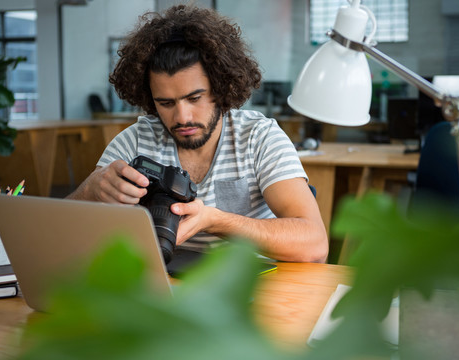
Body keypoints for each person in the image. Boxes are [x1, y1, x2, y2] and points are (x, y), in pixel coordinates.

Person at [67, 4, 328, 263]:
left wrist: (216, 221)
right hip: (158, 286)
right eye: (166, 103)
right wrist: (90, 190)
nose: (182, 117)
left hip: (248, 284)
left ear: (221, 87)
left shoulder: (259, 137)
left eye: (194, 98)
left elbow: (314, 243)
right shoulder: (134, 141)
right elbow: (59, 234)